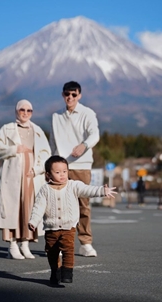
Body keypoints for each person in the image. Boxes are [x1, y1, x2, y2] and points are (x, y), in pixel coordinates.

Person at [28, 156, 117, 286]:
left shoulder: (73, 185)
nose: (62, 175)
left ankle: (67, 273)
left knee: (68, 249)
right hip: (51, 228)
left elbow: (88, 190)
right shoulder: (44, 190)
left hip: (68, 227)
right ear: (48, 174)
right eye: (57, 172)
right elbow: (38, 207)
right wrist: (33, 221)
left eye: (65, 171)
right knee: (51, 251)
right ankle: (55, 271)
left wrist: (102, 191)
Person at [0, 99, 51, 260]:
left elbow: (46, 153)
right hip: (13, 175)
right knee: (13, 209)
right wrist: (14, 149)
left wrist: (37, 169)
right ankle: (12, 245)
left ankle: (25, 245)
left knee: (30, 209)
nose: (25, 113)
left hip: (31, 176)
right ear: (16, 111)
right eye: (22, 110)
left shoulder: (37, 130)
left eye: (29, 110)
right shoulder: (7, 129)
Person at [50, 81, 100, 257]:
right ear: (62, 95)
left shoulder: (87, 113)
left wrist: (84, 145)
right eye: (66, 94)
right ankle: (62, 243)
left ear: (79, 95)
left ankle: (85, 242)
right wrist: (49, 163)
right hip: (60, 166)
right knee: (59, 207)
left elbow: (95, 134)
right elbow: (52, 141)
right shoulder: (56, 116)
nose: (69, 97)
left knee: (83, 205)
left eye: (73, 94)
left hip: (81, 165)